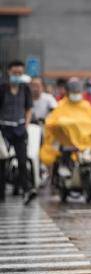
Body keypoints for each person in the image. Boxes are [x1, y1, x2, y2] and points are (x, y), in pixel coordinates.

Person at [40, 78, 91, 167]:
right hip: (66, 141)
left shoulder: (85, 105)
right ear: (68, 93)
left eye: (77, 92)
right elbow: (53, 121)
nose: (76, 95)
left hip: (85, 141)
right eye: (74, 92)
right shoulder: (62, 105)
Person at [0, 60, 36, 204]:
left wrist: (26, 124)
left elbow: (28, 108)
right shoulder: (2, 88)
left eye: (20, 73)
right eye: (15, 73)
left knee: (22, 161)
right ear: (9, 72)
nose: (17, 75)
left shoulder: (25, 88)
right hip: (3, 129)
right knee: (2, 162)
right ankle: (1, 193)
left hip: (20, 129)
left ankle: (27, 190)